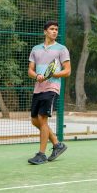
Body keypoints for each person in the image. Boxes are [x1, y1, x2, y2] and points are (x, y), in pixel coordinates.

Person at [27, 20, 71, 165]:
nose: (55, 31)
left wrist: (54, 74)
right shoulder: (35, 49)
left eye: (56, 29)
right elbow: (30, 71)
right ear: (45, 31)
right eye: (52, 29)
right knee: (35, 120)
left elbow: (67, 71)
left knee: (42, 118)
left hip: (52, 88)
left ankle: (41, 154)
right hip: (38, 88)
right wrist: (36, 76)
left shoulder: (61, 49)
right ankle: (57, 144)